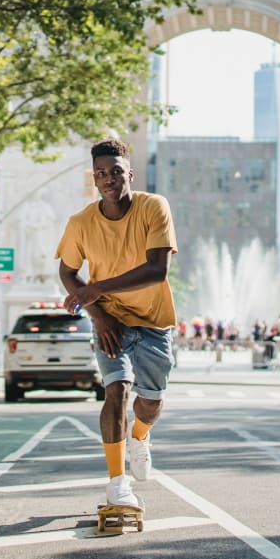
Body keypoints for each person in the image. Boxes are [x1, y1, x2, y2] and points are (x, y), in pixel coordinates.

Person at [56, 138, 178, 510]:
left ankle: (140, 438)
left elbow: (158, 270)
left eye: (115, 172)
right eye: (101, 174)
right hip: (111, 322)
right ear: (94, 179)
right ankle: (117, 482)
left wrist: (94, 290)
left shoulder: (153, 207)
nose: (109, 179)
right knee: (117, 389)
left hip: (155, 321)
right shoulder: (80, 223)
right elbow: (67, 271)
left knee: (150, 403)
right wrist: (99, 312)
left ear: (130, 173)